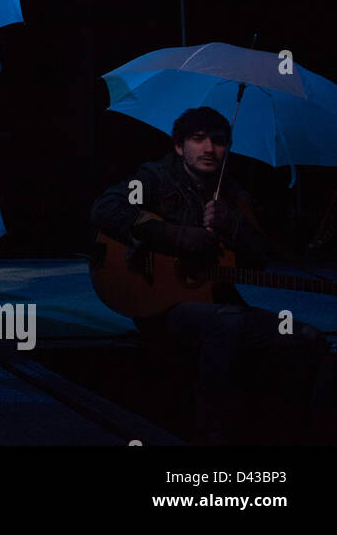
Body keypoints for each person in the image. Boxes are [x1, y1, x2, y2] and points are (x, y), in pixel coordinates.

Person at [90, 106, 335, 443]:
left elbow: (258, 262)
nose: (208, 149)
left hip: (218, 301)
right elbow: (105, 208)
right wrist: (174, 234)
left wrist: (231, 225)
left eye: (218, 141)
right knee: (227, 321)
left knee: (309, 339)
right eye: (197, 139)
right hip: (161, 307)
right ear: (179, 146)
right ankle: (213, 432)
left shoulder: (232, 195)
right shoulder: (155, 178)